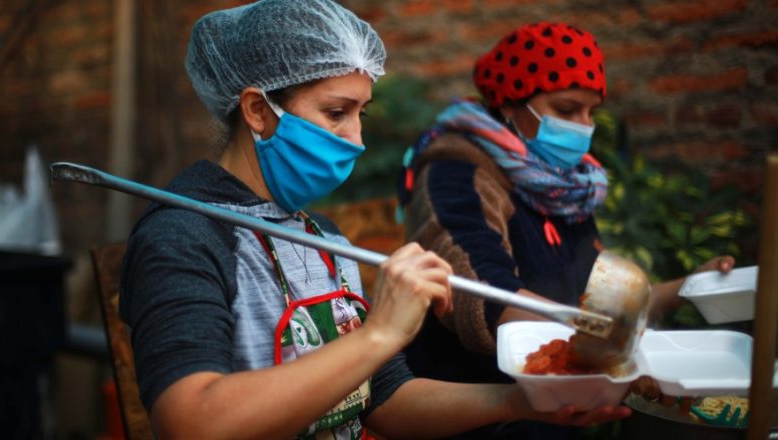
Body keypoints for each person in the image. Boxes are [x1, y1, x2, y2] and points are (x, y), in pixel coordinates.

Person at [120, 4, 631, 439]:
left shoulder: (321, 237)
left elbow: (384, 398)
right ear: (257, 110)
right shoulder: (184, 234)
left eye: (362, 112)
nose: (357, 139)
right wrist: (379, 332)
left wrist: (524, 402)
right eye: (336, 112)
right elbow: (189, 421)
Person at [396, 21, 735, 439]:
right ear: (509, 104)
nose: (583, 127)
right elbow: (478, 287)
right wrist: (606, 344)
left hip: (556, 411)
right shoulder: (456, 171)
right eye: (567, 109)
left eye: (591, 113)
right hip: (476, 413)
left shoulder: (561, 185)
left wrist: (686, 288)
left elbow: (602, 299)